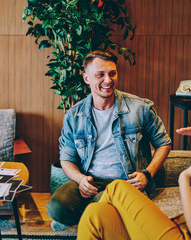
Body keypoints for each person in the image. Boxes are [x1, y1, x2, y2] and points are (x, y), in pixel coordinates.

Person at [77, 82, 191, 240]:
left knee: (117, 187)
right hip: (182, 226)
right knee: (95, 214)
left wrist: (184, 179)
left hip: (189, 235)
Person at [46, 50, 172, 231]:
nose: (108, 80)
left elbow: (164, 143)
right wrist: (80, 179)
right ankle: (99, 216)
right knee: (56, 208)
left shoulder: (139, 108)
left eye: (112, 73)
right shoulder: (74, 115)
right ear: (86, 78)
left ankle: (90, 217)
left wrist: (147, 174)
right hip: (92, 180)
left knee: (101, 208)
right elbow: (66, 159)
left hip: (128, 183)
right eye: (100, 75)